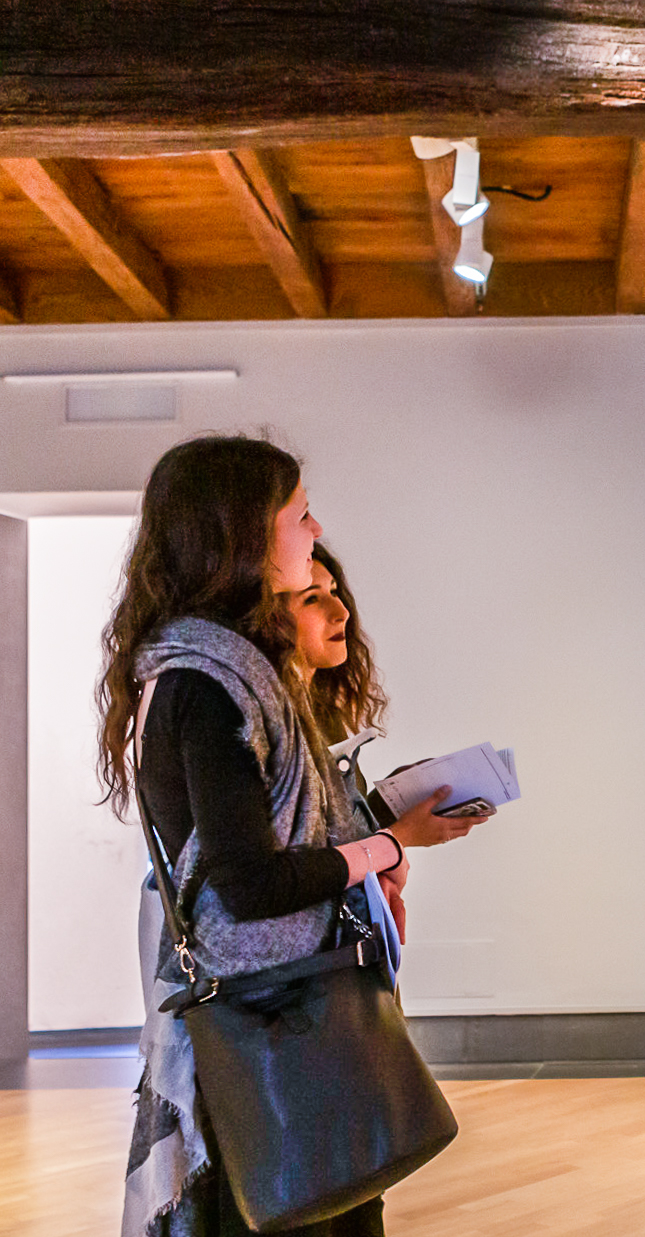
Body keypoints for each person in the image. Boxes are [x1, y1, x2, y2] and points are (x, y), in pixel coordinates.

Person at [101, 436, 415, 1237]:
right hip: (269, 1024)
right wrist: (382, 849)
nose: (315, 530)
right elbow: (250, 887)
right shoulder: (205, 682)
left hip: (291, 1011)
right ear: (242, 533)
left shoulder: (234, 671)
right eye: (300, 514)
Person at [289, 542, 491, 852]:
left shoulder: (322, 710)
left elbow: (339, 835)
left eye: (334, 592)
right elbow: (304, 863)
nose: (342, 612)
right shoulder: (272, 720)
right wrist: (399, 837)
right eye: (312, 599)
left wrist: (387, 804)